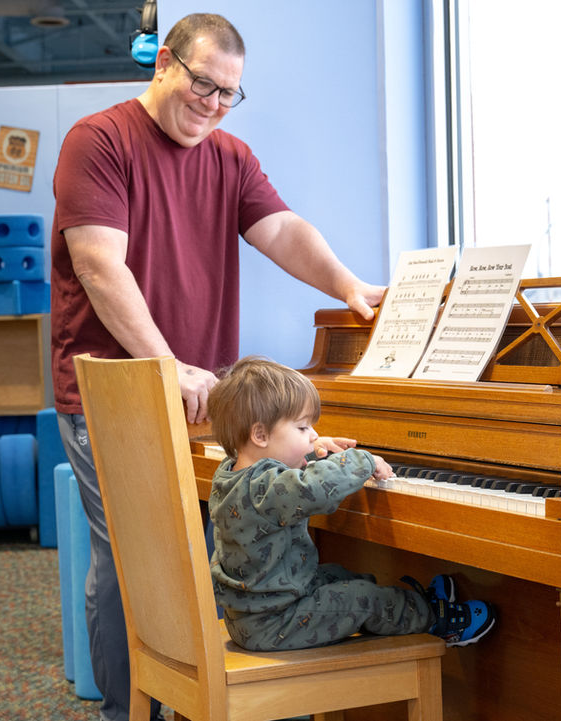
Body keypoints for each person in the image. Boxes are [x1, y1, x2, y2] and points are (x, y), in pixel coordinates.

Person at [51, 13, 387, 721]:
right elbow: (98, 265)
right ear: (164, 64)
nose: (212, 103)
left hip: (207, 397)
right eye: (203, 83)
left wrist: (348, 285)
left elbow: (283, 230)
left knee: (221, 546)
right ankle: (129, 709)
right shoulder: (99, 141)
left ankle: (206, 700)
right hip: (116, 396)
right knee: (134, 561)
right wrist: (167, 365)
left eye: (229, 93)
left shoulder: (229, 156)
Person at [206, 356, 497, 651]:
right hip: (277, 623)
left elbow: (285, 482)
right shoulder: (266, 488)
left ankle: (412, 606)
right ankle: (439, 621)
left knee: (340, 575)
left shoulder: (231, 473)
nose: (315, 434)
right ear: (260, 434)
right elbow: (314, 488)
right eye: (303, 428)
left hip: (252, 615)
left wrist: (309, 448)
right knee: (363, 598)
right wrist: (362, 459)